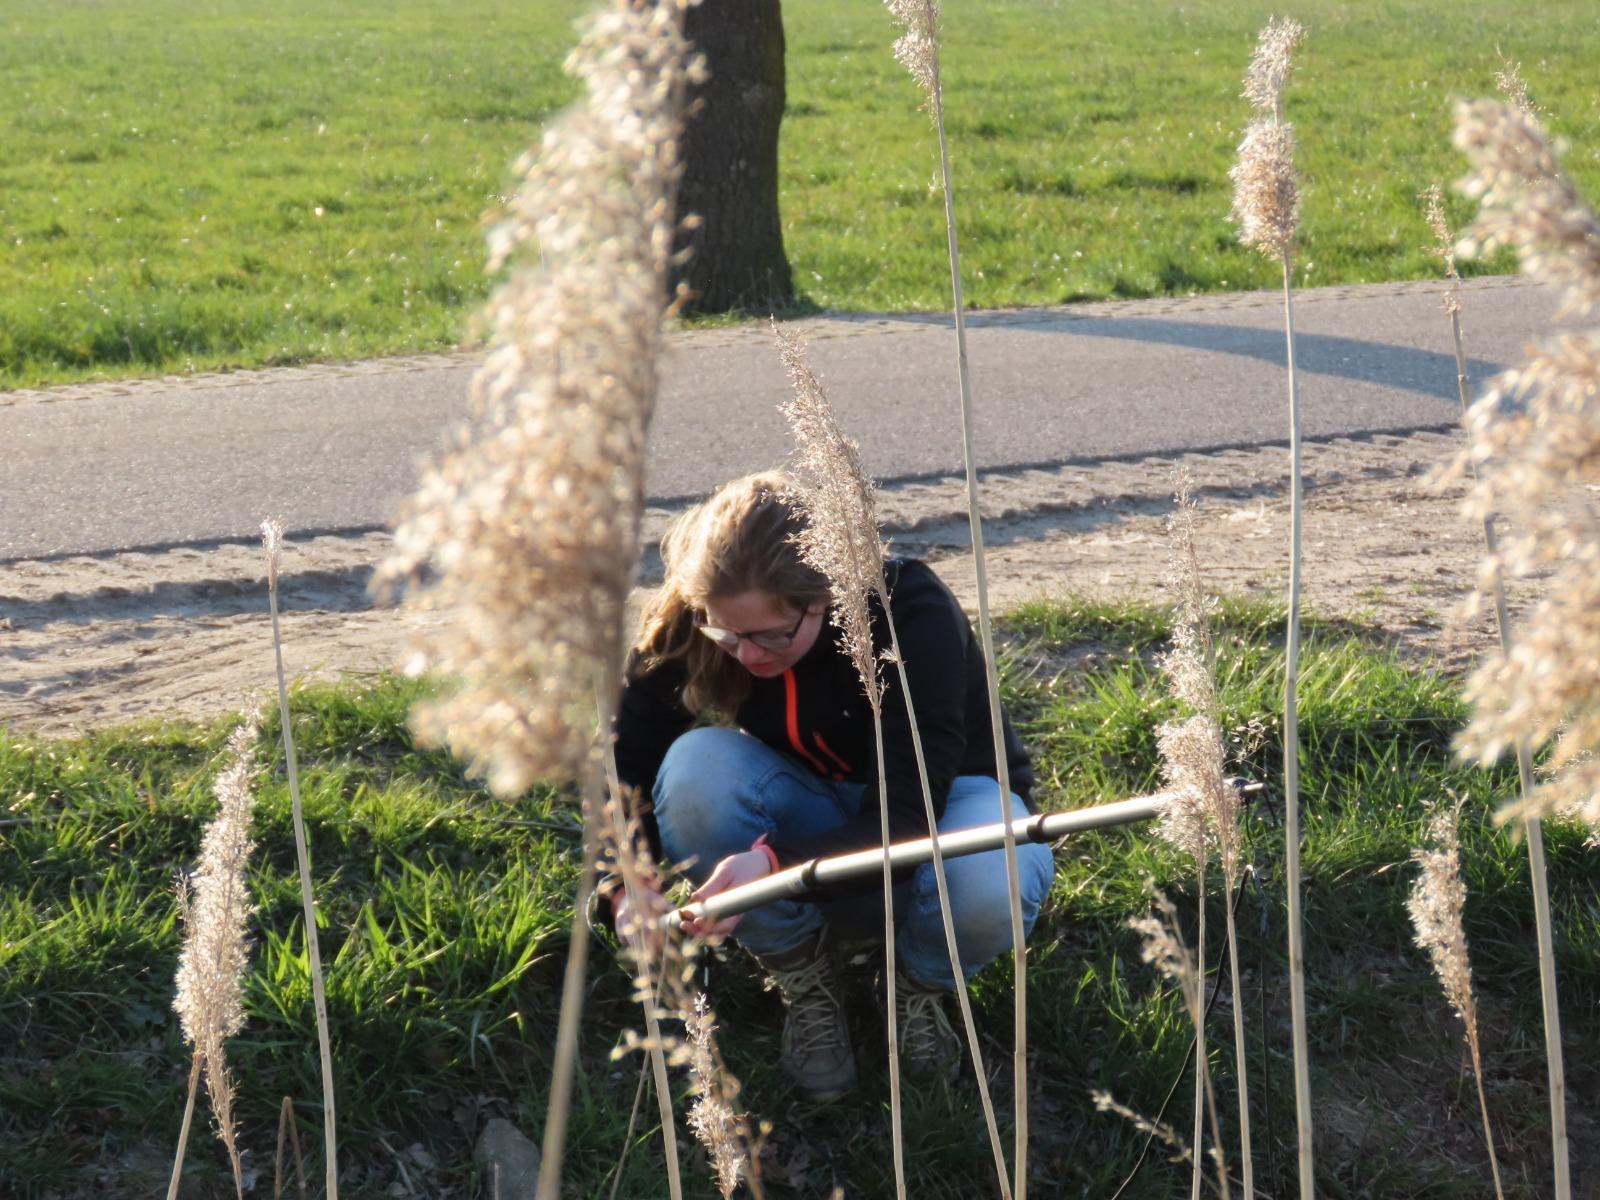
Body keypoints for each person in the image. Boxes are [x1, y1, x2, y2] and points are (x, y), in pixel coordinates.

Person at [611, 471, 1054, 1099]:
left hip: (940, 811)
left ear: (827, 594)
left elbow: (907, 815)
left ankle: (915, 984)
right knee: (694, 770)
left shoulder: (909, 611)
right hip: (808, 802)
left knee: (995, 874)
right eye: (726, 634)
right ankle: (802, 971)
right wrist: (624, 881)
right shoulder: (697, 616)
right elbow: (625, 759)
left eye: (773, 635)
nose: (749, 657)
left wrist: (775, 864)